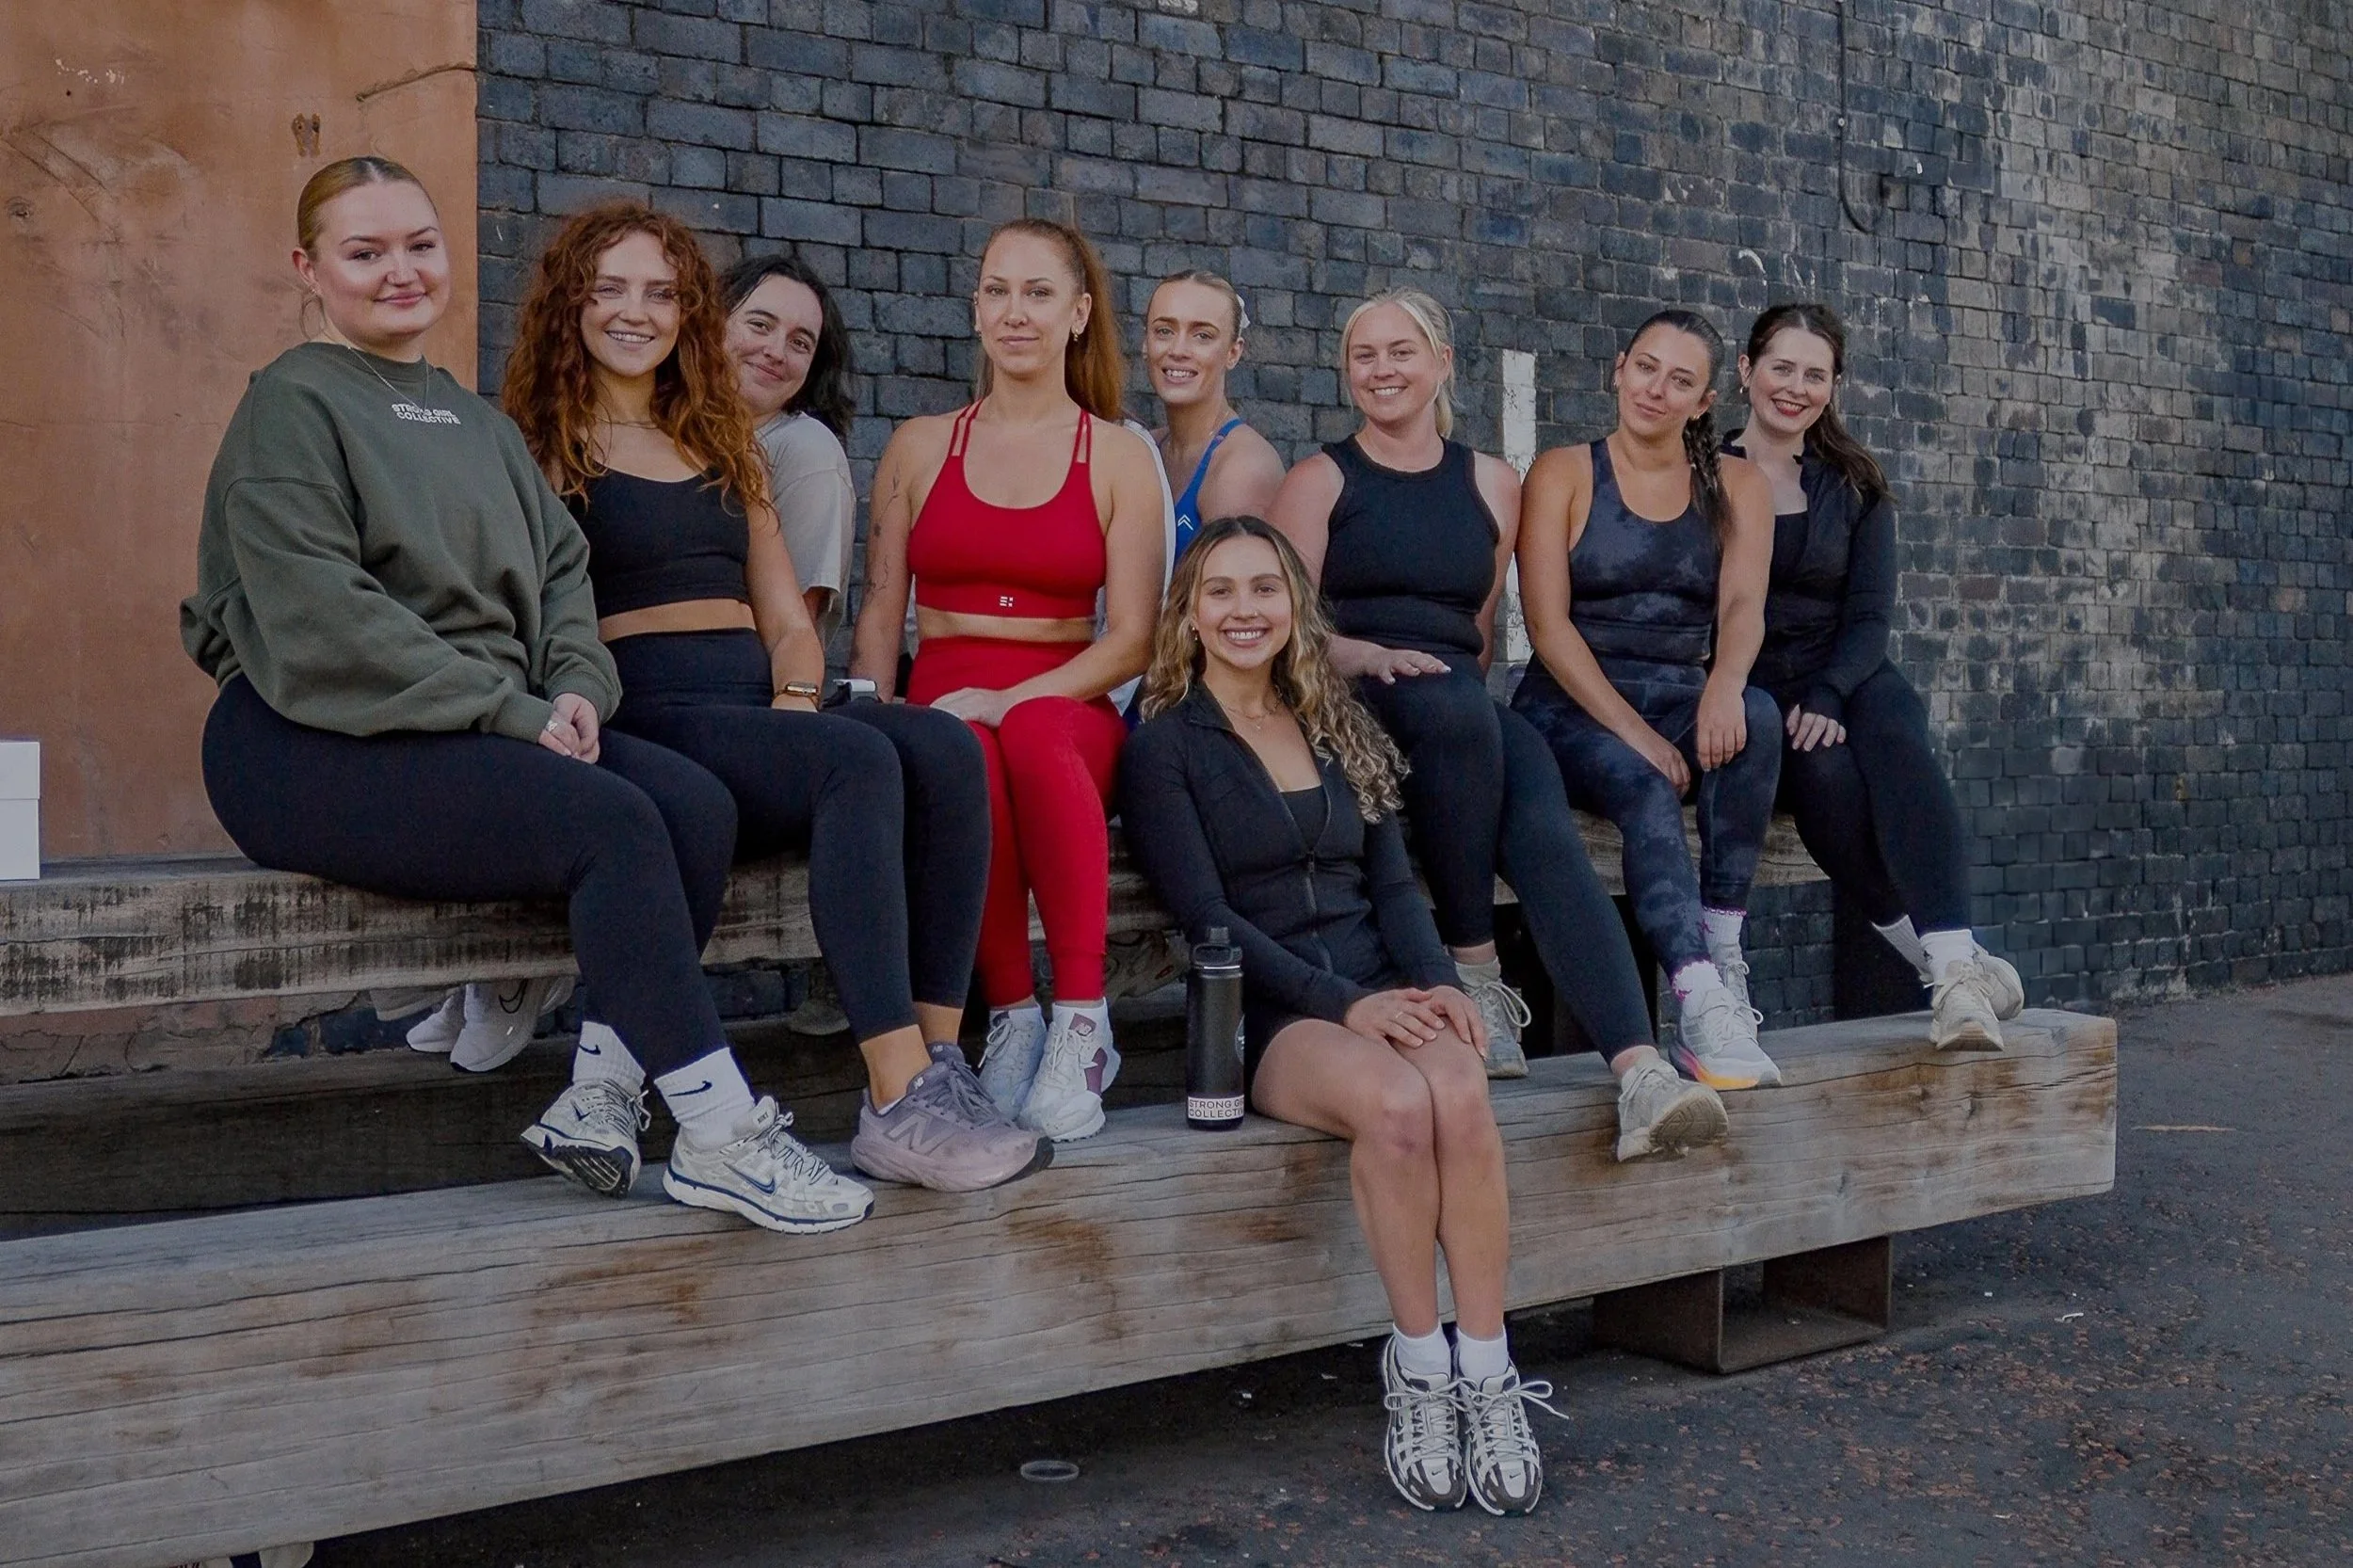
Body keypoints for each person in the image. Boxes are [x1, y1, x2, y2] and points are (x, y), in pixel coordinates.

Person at [183, 157, 840, 1231]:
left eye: (419, 245)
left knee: (695, 804)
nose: (401, 271)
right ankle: (721, 1132)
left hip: (468, 721)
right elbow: (324, 618)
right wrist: (511, 710)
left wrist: (576, 685)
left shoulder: (472, 421)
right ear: (309, 269)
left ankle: (596, 1101)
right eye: (366, 251)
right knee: (616, 823)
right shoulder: (292, 404)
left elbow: (562, 578)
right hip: (303, 735)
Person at [504, 202, 1046, 1198]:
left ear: (687, 314)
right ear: (571, 302)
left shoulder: (720, 440)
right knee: (855, 760)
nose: (636, 312)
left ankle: (937, 1063)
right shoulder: (540, 444)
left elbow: (789, 619)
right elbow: (537, 623)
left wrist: (795, 697)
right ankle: (893, 1095)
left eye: (660, 293)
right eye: (611, 289)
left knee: (942, 746)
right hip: (644, 712)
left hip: (749, 706)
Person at [1121, 516, 1558, 1515]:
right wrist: (1349, 1005)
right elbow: (1208, 923)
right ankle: (1415, 1367)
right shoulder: (1166, 747)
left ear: (1292, 606)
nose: (1243, 610)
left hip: (1377, 987)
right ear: (1189, 611)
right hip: (1268, 1013)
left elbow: (1394, 887)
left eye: (1263, 589)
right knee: (1402, 1106)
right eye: (1220, 591)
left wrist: (1435, 981)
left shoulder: (1334, 720)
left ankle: (1484, 1371)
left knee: (1457, 1081)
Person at [1268, 290, 1728, 1158]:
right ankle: (1476, 970)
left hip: (1452, 712)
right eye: (1364, 355)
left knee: (1538, 796)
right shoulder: (1321, 479)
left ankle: (1641, 1072)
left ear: (1442, 363)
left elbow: (1477, 637)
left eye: (1401, 351)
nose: (1382, 370)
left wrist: (1455, 720)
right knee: (1454, 708)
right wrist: (1369, 659)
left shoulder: (1492, 481)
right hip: (1352, 693)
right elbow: (1287, 630)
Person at [850, 218, 1164, 1144]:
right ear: (975, 307)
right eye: (996, 290)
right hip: (945, 698)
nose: (1013, 311)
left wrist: (1012, 694)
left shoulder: (1113, 455)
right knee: (957, 750)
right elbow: (878, 608)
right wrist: (876, 717)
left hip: (1069, 702)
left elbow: (1136, 638)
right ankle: (1013, 1017)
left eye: (1037, 293)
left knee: (1017, 732)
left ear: (1077, 315)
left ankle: (1079, 1020)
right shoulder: (918, 445)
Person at [1726, 302, 2025, 1048]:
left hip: (1850, 675)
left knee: (1894, 736)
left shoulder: (1853, 482)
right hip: (1762, 688)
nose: (1795, 387)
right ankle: (1951, 970)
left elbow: (1869, 617)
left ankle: (1956, 972)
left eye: (1815, 374)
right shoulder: (1701, 472)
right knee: (1825, 784)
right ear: (1746, 372)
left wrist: (1831, 691)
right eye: (1781, 368)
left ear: (1835, 385)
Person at [1513, 310, 1787, 1090]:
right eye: (1646, 368)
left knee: (1759, 720)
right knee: (1644, 786)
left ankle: (1723, 948)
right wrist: (1638, 734)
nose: (1656, 391)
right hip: (1571, 702)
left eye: (1680, 381)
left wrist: (1726, 686)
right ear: (1619, 368)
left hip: (1678, 692)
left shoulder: (1737, 485)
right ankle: (1697, 1001)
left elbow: (1742, 607)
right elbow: (1546, 625)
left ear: (1705, 401)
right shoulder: (1564, 472)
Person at [721, 251, 858, 644]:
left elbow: (792, 630)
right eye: (760, 325)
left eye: (800, 343)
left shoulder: (805, 451)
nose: (776, 351)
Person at [1144, 269, 1288, 563]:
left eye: (1202, 336)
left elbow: (1231, 602)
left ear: (1233, 353)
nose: (1178, 350)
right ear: (1145, 343)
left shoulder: (1243, 468)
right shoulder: (1147, 447)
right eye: (1164, 331)